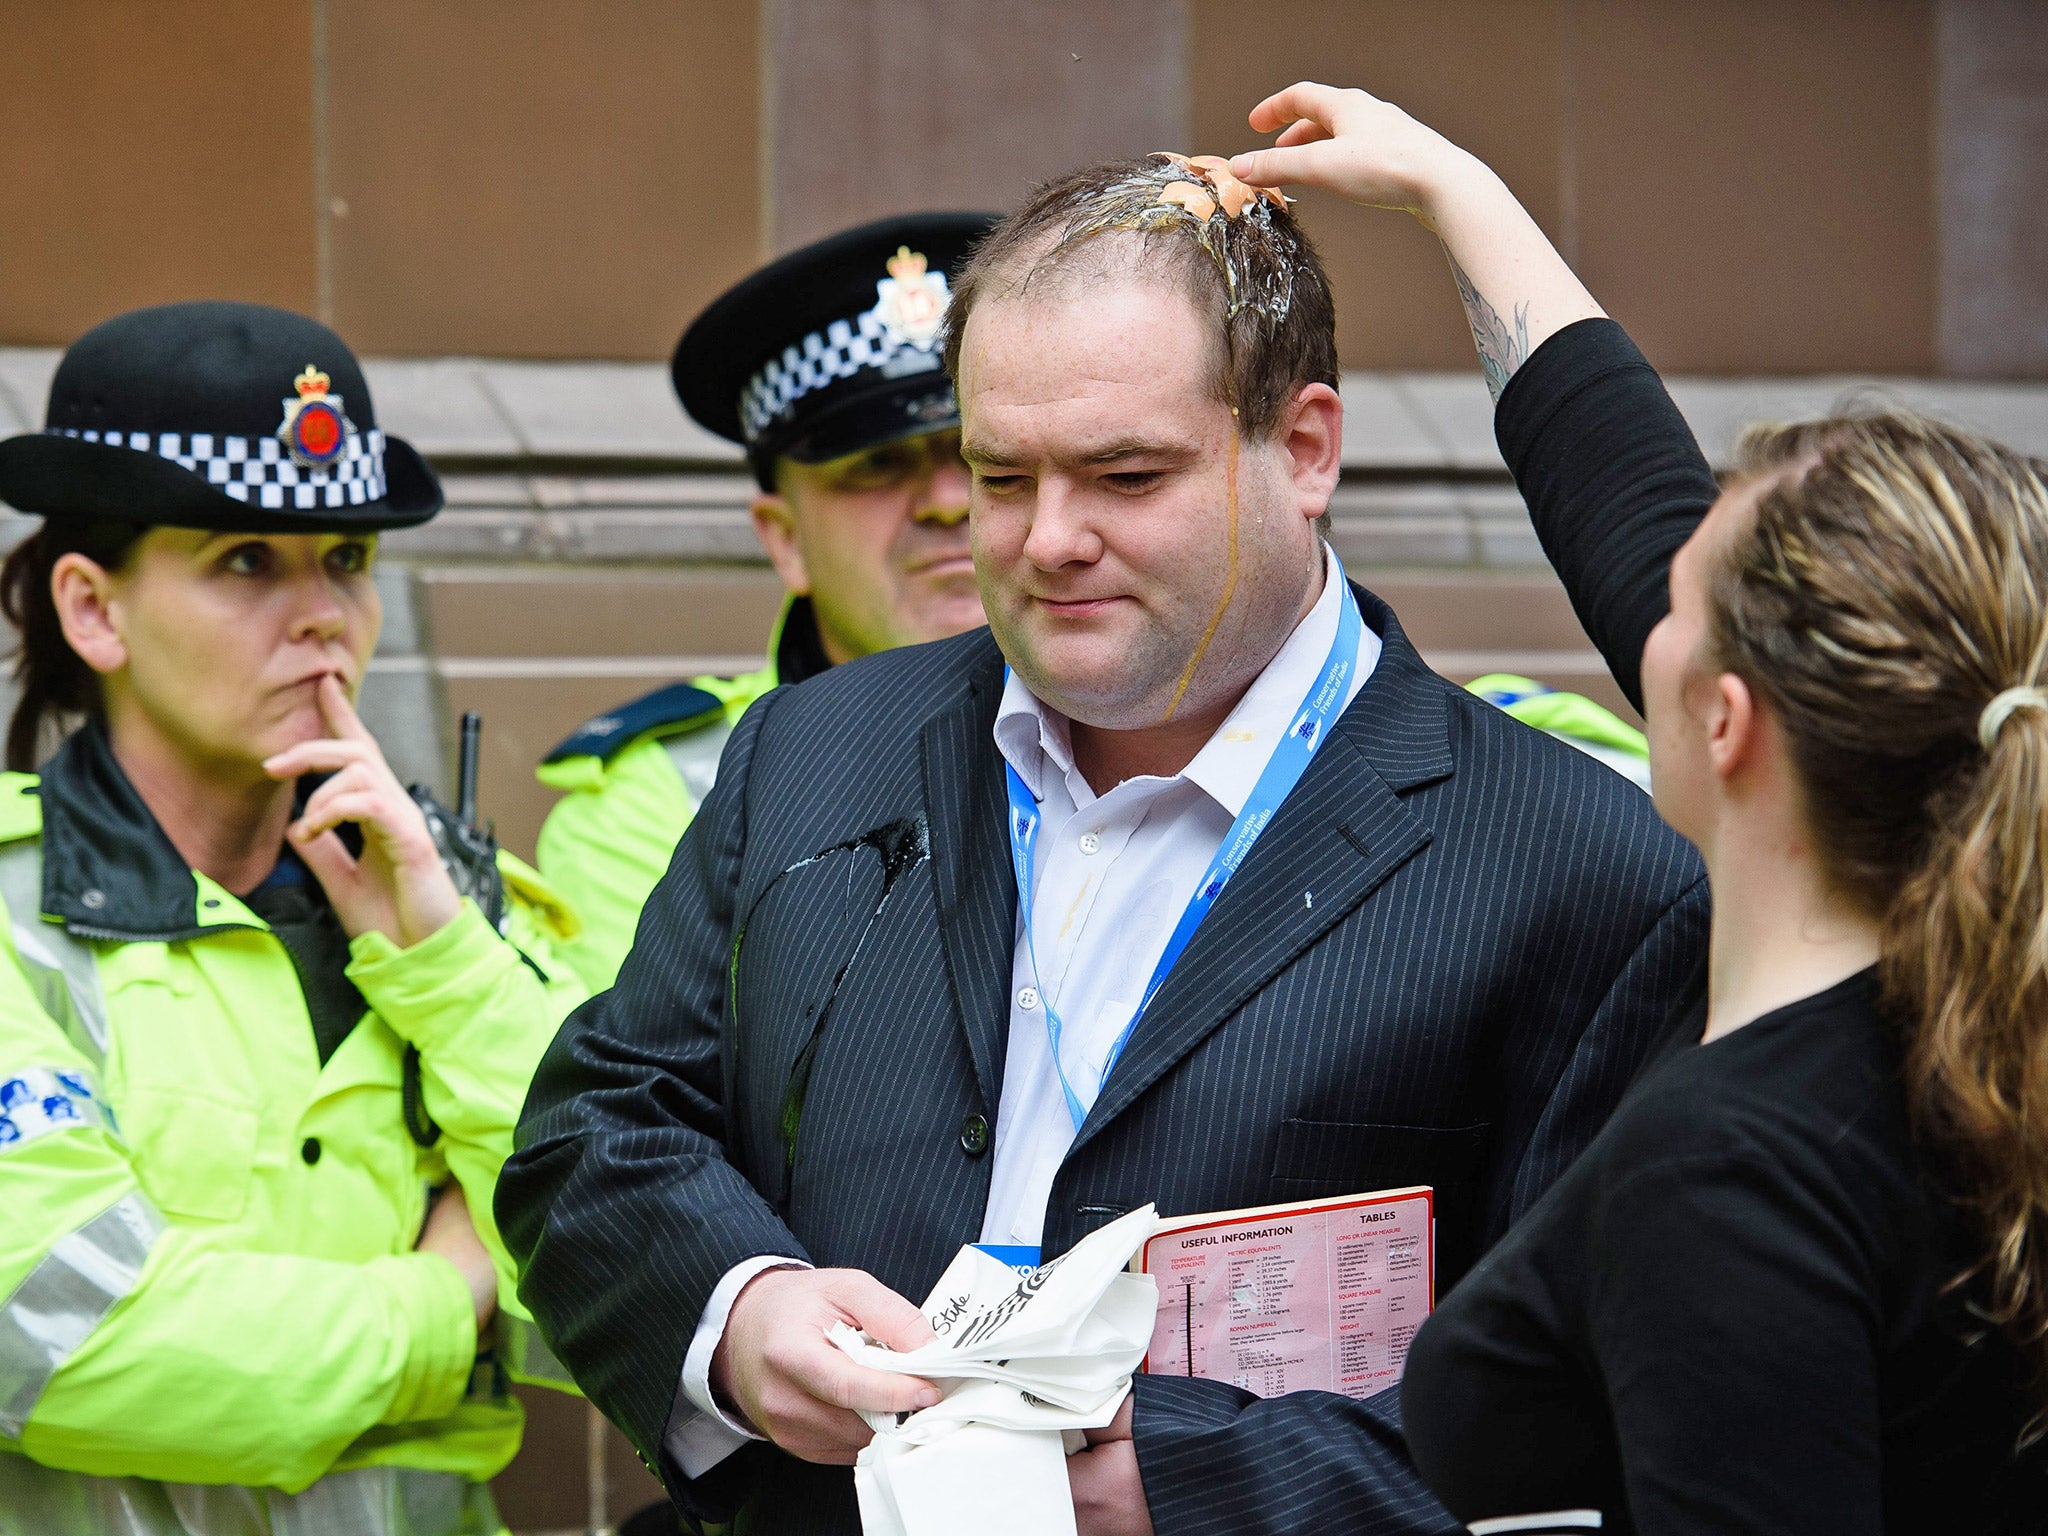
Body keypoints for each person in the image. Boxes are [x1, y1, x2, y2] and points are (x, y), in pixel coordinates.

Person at [498, 150, 1709, 1536]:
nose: (1045, 540)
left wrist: (1195, 1483)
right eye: (999, 477)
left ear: (1305, 449)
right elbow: (596, 1131)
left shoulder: (1574, 866)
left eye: (1125, 474)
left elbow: (1602, 1400)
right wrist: (736, 1315)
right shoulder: (809, 755)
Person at [1230, 83, 2048, 1533]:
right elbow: (1630, 498)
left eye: (1670, 610)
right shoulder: (1986, 1029)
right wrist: (1453, 194)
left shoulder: (1732, 1175)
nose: (1638, 613)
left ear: (1727, 726)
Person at [0, 301, 587, 1534]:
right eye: (245, 561)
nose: (322, 614)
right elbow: (68, 1341)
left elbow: (625, 1277)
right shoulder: (14, 914)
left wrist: (443, 962)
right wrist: (448, 1298)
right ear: (93, 610)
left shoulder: (463, 907)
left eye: (349, 559)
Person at [534, 214, 995, 993]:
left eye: (978, 452)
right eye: (879, 464)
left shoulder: (1147, 728)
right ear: (783, 539)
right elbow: (632, 1103)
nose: (949, 502)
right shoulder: (660, 796)